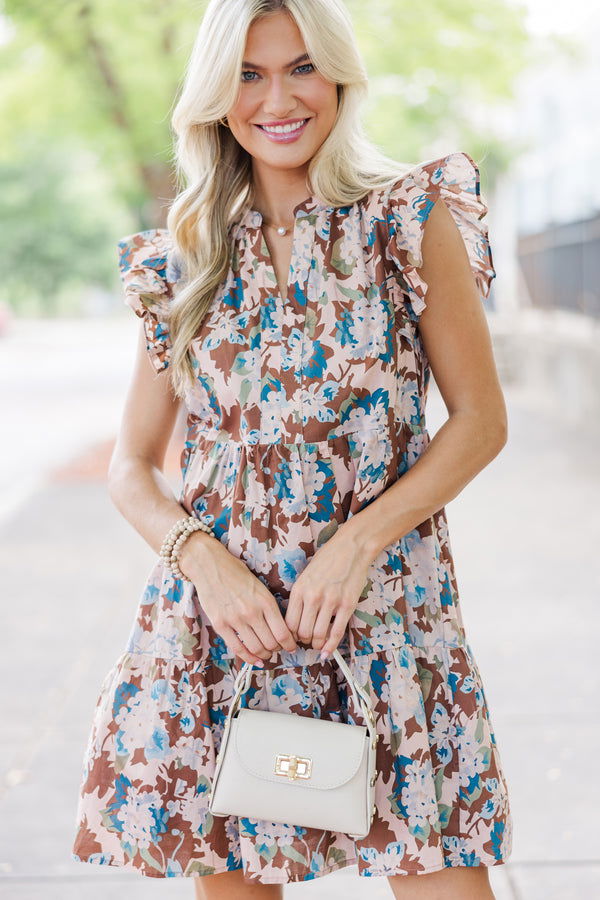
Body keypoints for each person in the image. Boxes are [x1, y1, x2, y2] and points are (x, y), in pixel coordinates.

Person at [71, 0, 513, 897]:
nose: (279, 97)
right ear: (214, 94)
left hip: (386, 618)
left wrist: (357, 544)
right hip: (229, 635)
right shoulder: (183, 255)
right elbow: (132, 465)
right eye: (249, 73)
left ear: (341, 77)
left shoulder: (406, 218)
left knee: (445, 877)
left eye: (302, 67)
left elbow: (479, 421)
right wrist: (202, 562)